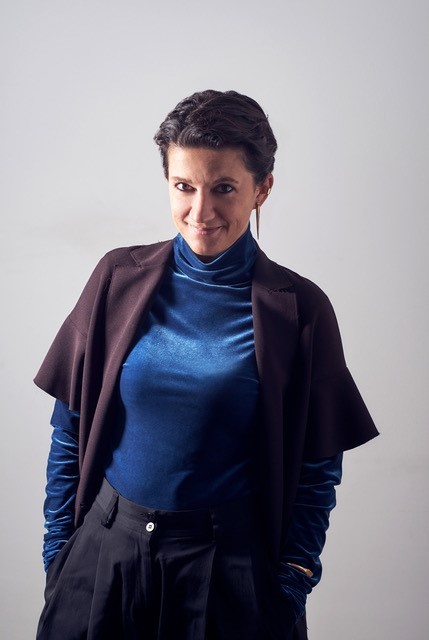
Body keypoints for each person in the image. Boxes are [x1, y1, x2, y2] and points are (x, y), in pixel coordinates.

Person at [34, 89, 378, 640]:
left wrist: (293, 578)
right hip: (104, 553)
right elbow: (68, 427)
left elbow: (319, 467)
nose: (201, 212)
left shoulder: (300, 308)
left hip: (229, 570)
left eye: (224, 188)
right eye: (184, 187)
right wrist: (58, 553)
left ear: (262, 188)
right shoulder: (116, 278)